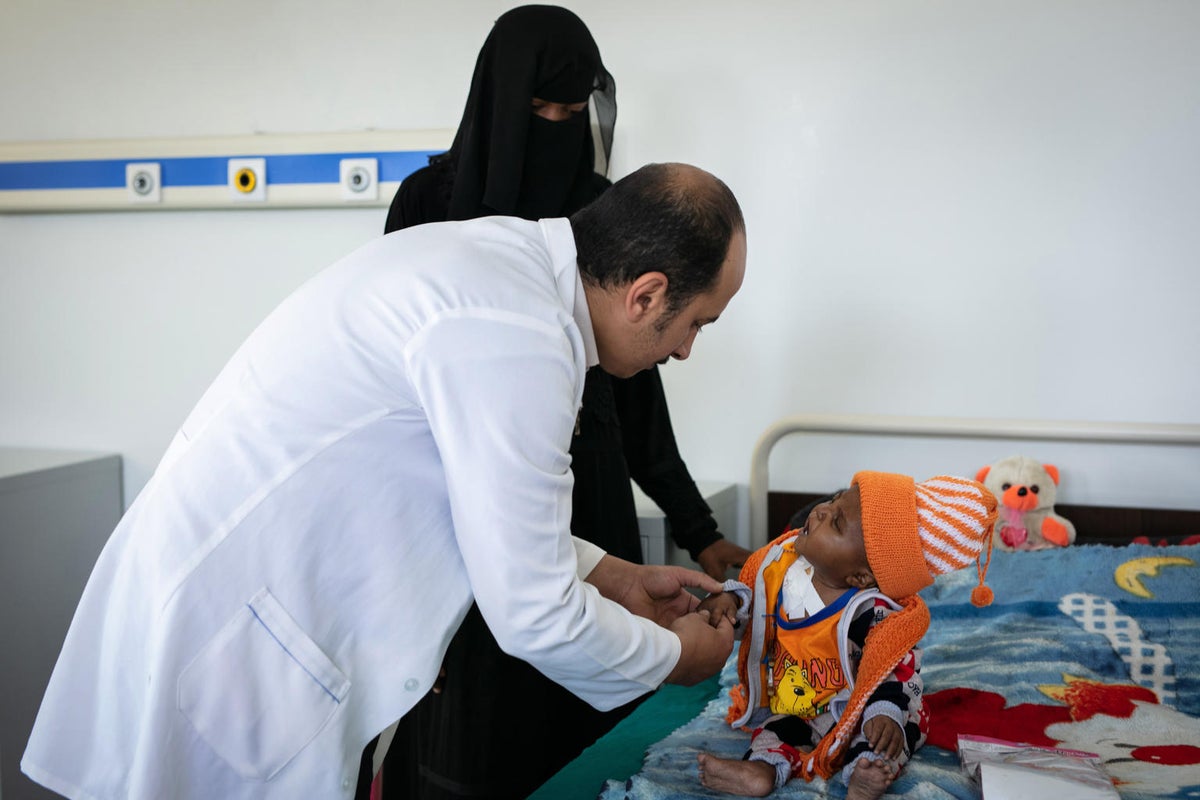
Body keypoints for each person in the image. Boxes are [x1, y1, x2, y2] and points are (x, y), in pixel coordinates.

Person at [21, 162, 742, 800]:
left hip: (245, 603)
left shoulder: (506, 271)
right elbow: (532, 612)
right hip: (235, 630)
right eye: (698, 324)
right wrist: (680, 659)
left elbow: (479, 504)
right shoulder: (515, 331)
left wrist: (611, 576)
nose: (683, 351)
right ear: (646, 295)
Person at [369, 7, 750, 798]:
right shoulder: (433, 212)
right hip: (448, 489)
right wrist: (683, 660)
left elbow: (641, 386)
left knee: (592, 726)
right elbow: (525, 601)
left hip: (586, 488)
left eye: (574, 112)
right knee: (475, 728)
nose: (558, 128)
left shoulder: (600, 222)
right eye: (540, 110)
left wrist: (694, 534)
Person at [696, 472, 999, 799]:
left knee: (896, 733)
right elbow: (755, 612)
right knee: (775, 731)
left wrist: (884, 714)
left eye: (837, 523)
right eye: (832, 501)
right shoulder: (781, 572)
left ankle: (865, 770)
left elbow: (893, 668)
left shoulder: (871, 612)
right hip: (799, 705)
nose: (820, 511)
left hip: (859, 708)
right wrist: (728, 603)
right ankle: (761, 770)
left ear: (860, 576)